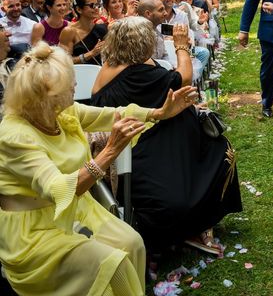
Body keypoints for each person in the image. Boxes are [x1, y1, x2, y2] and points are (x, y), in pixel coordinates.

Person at [0, 42, 197, 295]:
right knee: (112, 264)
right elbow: (59, 190)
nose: (74, 86)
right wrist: (110, 152)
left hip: (78, 211)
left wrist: (159, 113)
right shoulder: (14, 136)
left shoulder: (61, 112)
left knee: (133, 244)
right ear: (43, 100)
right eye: (67, 84)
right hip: (33, 232)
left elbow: (113, 114)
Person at [90, 17, 242, 255]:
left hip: (142, 131)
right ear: (144, 43)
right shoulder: (137, 72)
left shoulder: (112, 63)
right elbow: (183, 78)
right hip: (134, 145)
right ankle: (193, 222)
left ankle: (197, 218)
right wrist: (181, 46)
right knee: (216, 149)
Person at [59, 0, 107, 65]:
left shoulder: (102, 28)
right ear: (79, 9)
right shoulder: (69, 31)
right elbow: (65, 61)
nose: (96, 8)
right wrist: (91, 53)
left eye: (97, 5)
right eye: (92, 5)